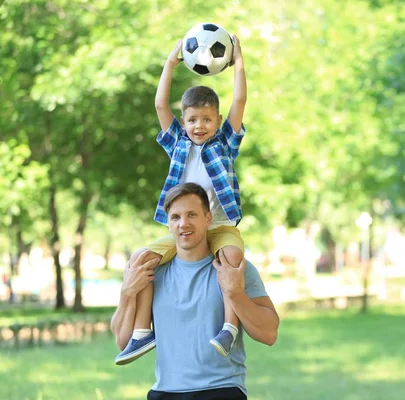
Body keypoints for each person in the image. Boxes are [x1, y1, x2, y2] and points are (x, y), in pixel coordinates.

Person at [114, 33, 248, 365]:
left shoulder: (224, 144)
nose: (198, 125)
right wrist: (170, 63)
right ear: (183, 122)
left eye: (206, 119)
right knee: (142, 259)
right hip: (186, 228)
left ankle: (229, 328)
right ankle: (143, 333)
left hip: (218, 225)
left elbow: (240, 100)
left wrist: (239, 63)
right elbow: (160, 104)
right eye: (191, 120)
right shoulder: (177, 143)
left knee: (231, 254)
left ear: (217, 121)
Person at [111, 183, 279, 399]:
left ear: (208, 219)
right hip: (164, 392)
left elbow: (269, 334)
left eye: (192, 214)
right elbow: (122, 341)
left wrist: (235, 293)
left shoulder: (234, 269)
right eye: (175, 217)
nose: (184, 224)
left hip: (221, 390)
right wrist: (127, 292)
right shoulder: (152, 273)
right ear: (168, 224)